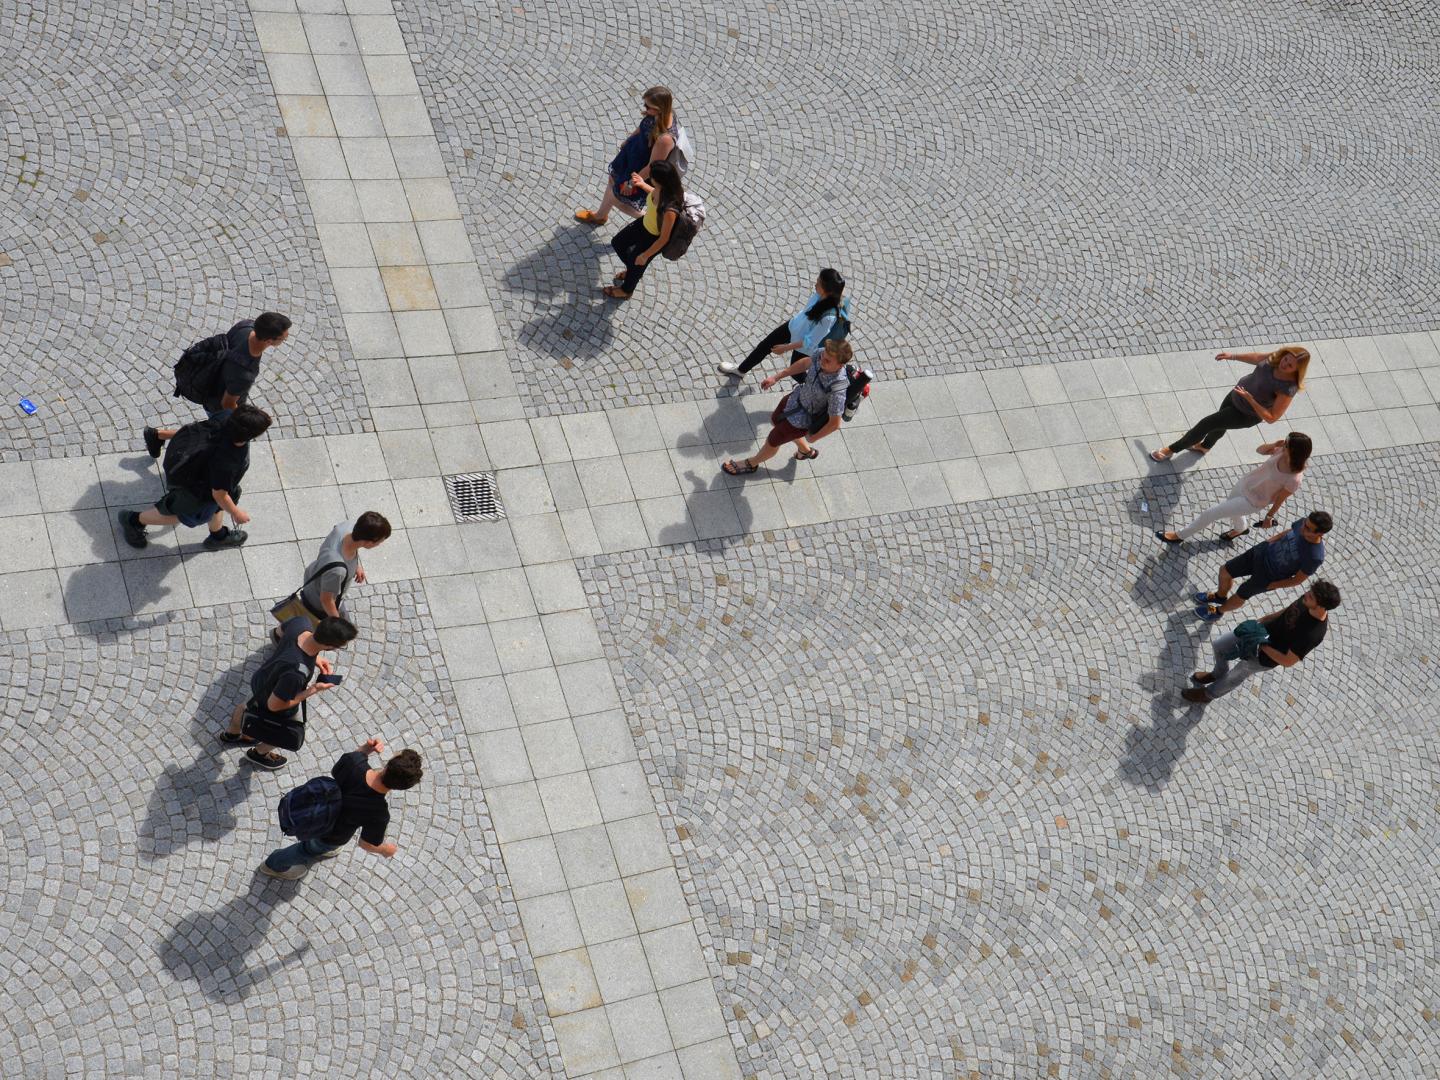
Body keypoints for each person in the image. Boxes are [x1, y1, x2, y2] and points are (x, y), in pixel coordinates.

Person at [259, 739, 423, 879]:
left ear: (388, 764)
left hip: (313, 808)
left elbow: (346, 762)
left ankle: (279, 863)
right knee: (306, 850)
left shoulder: (355, 763)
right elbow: (365, 844)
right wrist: (384, 849)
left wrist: (366, 749)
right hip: (330, 837)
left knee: (310, 846)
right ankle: (273, 865)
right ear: (400, 788)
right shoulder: (378, 813)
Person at [118, 404, 272, 551]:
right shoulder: (227, 461)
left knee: (221, 502)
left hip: (188, 461)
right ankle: (133, 520)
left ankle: (218, 536)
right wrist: (236, 513)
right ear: (248, 436)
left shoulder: (227, 416)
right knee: (188, 516)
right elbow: (219, 495)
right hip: (195, 486)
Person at [220, 614, 359, 770]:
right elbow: (274, 706)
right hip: (273, 694)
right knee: (284, 730)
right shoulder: (297, 672)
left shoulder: (301, 622)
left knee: (247, 704)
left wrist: (315, 657)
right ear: (329, 646)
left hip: (262, 679)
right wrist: (314, 689)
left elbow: (278, 633)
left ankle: (231, 734)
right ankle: (258, 754)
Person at [143, 312, 292, 457]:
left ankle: (158, 436)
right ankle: (158, 436)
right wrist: (249, 422)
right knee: (211, 434)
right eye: (283, 338)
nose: (286, 338)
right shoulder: (244, 372)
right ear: (269, 341)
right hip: (217, 401)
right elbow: (227, 403)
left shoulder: (245, 326)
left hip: (214, 382)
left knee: (211, 431)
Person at [1182, 581, 1339, 704]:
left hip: (1265, 657)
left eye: (1311, 596)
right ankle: (1217, 673)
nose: (1306, 594)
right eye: (1309, 592)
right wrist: (1260, 622)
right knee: (1219, 645)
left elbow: (1288, 661)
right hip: (1258, 633)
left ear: (1321, 606)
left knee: (1238, 673)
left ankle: (1208, 694)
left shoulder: (1313, 634)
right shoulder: (1306, 601)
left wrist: (1262, 645)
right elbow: (1285, 612)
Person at [1149, 345, 1307, 461]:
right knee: (1219, 424)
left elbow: (1272, 417)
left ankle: (1170, 450)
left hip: (1246, 414)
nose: (1284, 364)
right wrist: (1232, 356)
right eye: (1286, 358)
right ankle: (1205, 446)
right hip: (1235, 395)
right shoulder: (1277, 358)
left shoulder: (1287, 388)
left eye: (1290, 365)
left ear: (1297, 369)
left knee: (1207, 424)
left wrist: (1250, 399)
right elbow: (1259, 358)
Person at [1155, 432, 1311, 546]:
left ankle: (1179, 536)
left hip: (1253, 501)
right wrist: (1273, 445)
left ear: (1294, 451)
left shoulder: (1294, 478)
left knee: (1211, 513)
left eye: (1287, 443)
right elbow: (1260, 450)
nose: (1284, 444)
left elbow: (1280, 499)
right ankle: (1241, 529)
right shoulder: (1280, 451)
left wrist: (1269, 517)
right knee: (1233, 511)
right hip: (1245, 484)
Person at [722, 339, 853, 474]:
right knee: (774, 420)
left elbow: (835, 424)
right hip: (794, 399)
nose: (821, 361)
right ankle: (806, 451)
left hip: (802, 420)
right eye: (822, 356)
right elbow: (805, 363)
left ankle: (751, 464)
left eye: (827, 361)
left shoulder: (837, 390)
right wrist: (777, 377)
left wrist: (814, 437)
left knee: (773, 440)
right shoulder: (822, 355)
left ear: (840, 365)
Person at [1194, 511, 1331, 621]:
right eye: (1305, 523)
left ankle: (1218, 611)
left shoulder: (1314, 556)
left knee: (1241, 594)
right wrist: (1268, 542)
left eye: (1308, 528)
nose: (1302, 527)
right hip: (1261, 553)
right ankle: (1220, 596)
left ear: (1320, 533)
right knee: (1224, 571)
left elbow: (1297, 580)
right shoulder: (1303, 523)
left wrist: (1272, 585)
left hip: (1269, 576)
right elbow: (1289, 531)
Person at [271, 512, 392, 635]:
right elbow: (326, 600)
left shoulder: (347, 528)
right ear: (369, 542)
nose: (379, 544)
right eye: (379, 542)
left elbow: (351, 549)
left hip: (316, 575)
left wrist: (356, 565)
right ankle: (279, 635)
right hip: (318, 600)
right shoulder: (337, 571)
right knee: (309, 627)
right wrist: (337, 623)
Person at [574, 86, 679, 227]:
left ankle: (649, 220)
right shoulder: (658, 114)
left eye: (648, 106)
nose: (645, 108)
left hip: (639, 170)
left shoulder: (665, 139)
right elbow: (644, 126)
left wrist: (631, 183)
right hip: (632, 155)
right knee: (612, 180)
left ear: (660, 108)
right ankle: (600, 216)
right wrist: (629, 140)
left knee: (615, 196)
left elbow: (652, 167)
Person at [718, 269, 847, 379]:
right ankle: (741, 370)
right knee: (765, 346)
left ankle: (816, 388)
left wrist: (785, 348)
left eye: (818, 283)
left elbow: (810, 342)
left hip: (802, 346)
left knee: (796, 374)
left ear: (827, 290)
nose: (815, 284)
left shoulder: (829, 317)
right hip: (793, 326)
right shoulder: (821, 295)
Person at [603, 160, 684, 301]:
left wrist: (646, 255)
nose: (650, 178)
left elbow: (663, 238)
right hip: (645, 224)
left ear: (660, 181)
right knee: (618, 243)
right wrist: (642, 183)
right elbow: (654, 192)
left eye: (652, 177)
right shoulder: (662, 189)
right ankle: (633, 271)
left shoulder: (670, 209)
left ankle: (626, 290)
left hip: (653, 237)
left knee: (638, 260)